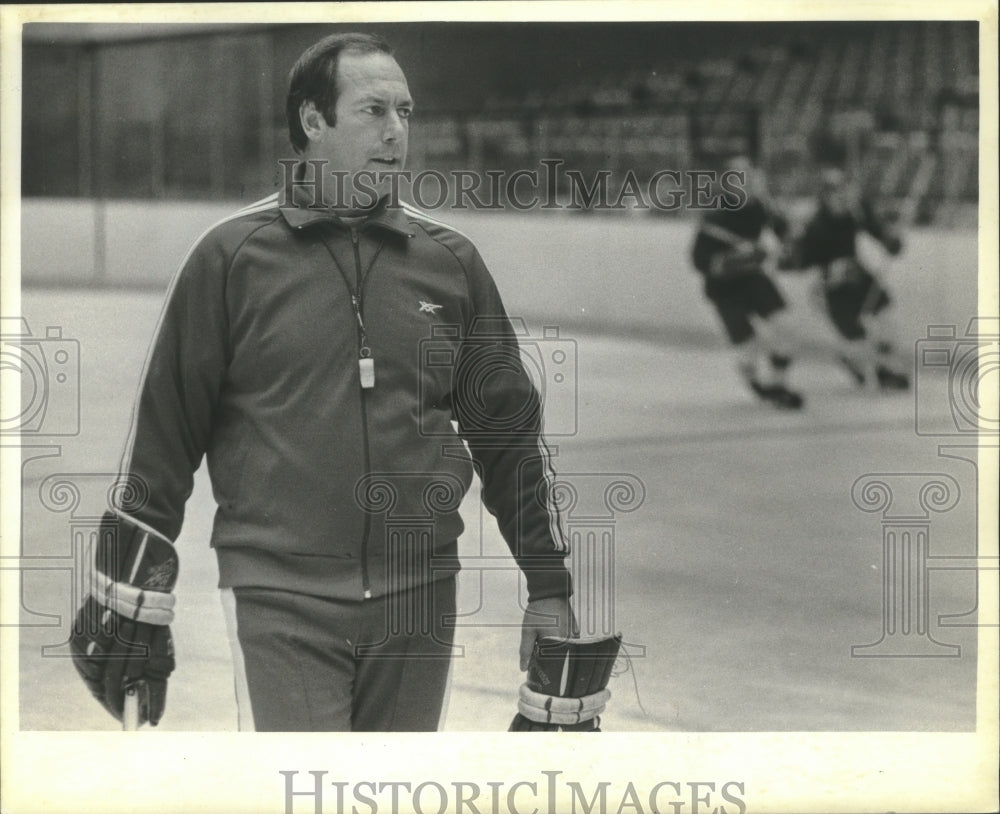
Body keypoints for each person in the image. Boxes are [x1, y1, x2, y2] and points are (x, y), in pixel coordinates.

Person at [70, 32, 575, 732]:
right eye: (373, 110)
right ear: (313, 121)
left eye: (405, 110)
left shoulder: (450, 263)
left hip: (419, 597)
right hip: (280, 598)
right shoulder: (231, 257)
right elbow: (166, 432)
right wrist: (128, 588)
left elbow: (508, 437)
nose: (397, 131)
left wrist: (549, 586)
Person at [690, 155, 805, 409]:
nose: (749, 183)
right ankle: (755, 382)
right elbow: (699, 260)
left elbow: (785, 236)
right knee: (749, 348)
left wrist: (791, 238)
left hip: (753, 280)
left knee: (788, 327)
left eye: (750, 176)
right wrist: (734, 259)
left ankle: (778, 384)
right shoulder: (716, 216)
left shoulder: (760, 207)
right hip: (725, 289)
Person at [785, 164, 910, 390]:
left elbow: (877, 231)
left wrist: (891, 242)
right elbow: (798, 262)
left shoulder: (856, 211)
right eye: (837, 192)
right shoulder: (815, 226)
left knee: (886, 319)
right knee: (857, 339)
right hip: (833, 287)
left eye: (846, 191)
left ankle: (883, 368)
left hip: (859, 277)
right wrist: (796, 249)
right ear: (826, 196)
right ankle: (855, 360)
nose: (844, 197)